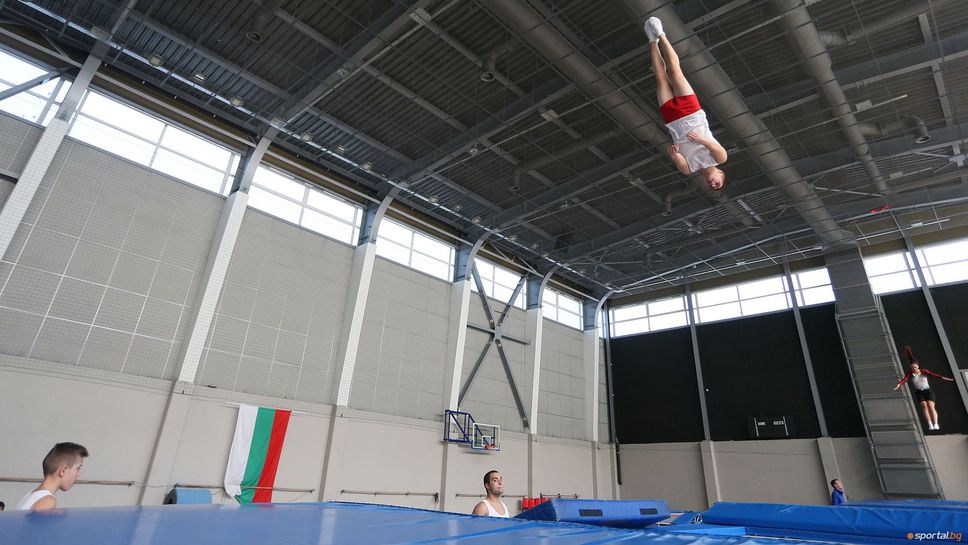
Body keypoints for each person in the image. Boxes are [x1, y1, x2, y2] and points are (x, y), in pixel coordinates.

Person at [643, 17, 727, 190]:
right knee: (674, 72)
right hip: (692, 113)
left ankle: (652, 40)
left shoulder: (689, 170)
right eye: (718, 183)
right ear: (721, 173)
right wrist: (702, 140)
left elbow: (677, 158)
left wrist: (674, 155)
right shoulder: (720, 159)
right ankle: (661, 34)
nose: (712, 183)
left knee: (660, 78)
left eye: (711, 186)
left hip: (673, 120)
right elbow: (712, 145)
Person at [893, 346, 955, 431]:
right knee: (924, 406)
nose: (914, 369)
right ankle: (930, 424)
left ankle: (936, 423)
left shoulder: (924, 371)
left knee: (930, 405)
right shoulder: (910, 374)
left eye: (915, 367)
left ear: (918, 366)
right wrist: (899, 384)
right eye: (912, 368)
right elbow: (905, 379)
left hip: (928, 391)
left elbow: (935, 375)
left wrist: (947, 379)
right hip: (919, 392)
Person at [15, 442, 89, 511]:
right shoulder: (47, 500)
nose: (79, 474)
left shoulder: (31, 495)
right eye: (78, 468)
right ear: (63, 470)